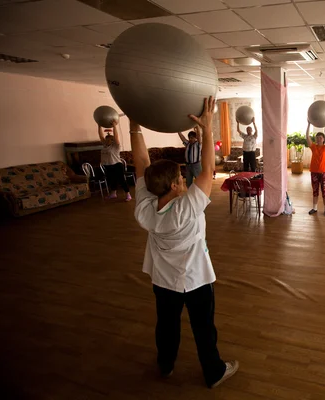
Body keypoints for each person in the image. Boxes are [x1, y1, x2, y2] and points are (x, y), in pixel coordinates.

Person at [131, 96, 238, 388]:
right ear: (177, 185)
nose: (183, 180)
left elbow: (141, 164)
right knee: (203, 327)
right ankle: (214, 371)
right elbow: (207, 170)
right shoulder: (188, 207)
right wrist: (207, 128)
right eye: (180, 177)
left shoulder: (145, 209)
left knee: (166, 325)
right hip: (196, 279)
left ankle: (165, 365)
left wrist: (134, 124)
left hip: (163, 281)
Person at [306, 120, 325, 217]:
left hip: (324, 172)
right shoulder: (313, 147)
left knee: (324, 191)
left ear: (323, 139)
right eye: (317, 138)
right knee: (315, 190)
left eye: (320, 138)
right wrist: (308, 124)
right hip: (314, 172)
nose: (318, 139)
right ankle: (314, 208)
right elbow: (307, 137)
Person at [98, 120, 132, 201]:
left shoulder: (116, 146)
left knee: (121, 180)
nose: (106, 140)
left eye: (108, 139)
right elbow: (100, 135)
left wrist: (114, 126)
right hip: (107, 165)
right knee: (111, 180)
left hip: (117, 165)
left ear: (112, 140)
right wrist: (99, 126)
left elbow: (116, 136)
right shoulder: (105, 145)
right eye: (106, 139)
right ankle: (113, 194)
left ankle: (128, 195)